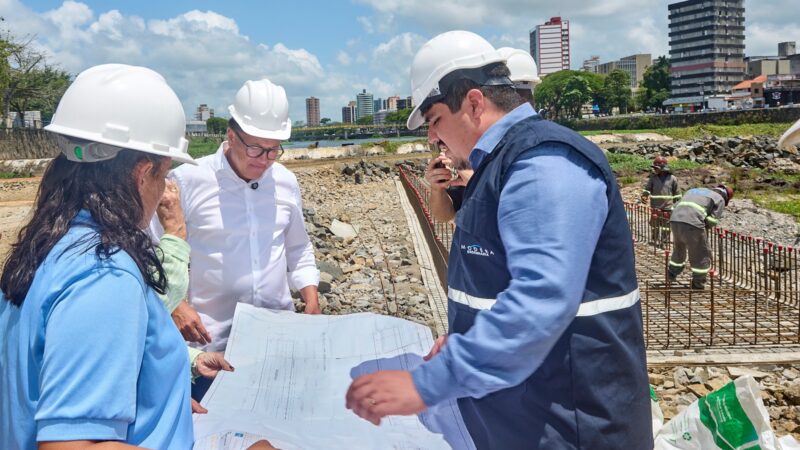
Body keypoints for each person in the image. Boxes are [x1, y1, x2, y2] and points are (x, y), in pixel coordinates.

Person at [346, 30, 651, 449]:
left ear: (473, 103)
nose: (432, 138)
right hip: (525, 415)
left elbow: (540, 299)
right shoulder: (500, 164)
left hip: (571, 423)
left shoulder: (543, 163)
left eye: (434, 120)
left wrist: (428, 383)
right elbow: (499, 280)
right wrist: (468, 337)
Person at [152, 78, 320, 356]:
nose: (264, 160)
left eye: (273, 150)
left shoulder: (285, 181)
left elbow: (298, 247)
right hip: (212, 341)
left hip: (280, 332)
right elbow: (151, 249)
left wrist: (311, 298)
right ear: (231, 137)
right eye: (255, 148)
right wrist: (175, 305)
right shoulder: (188, 181)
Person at [426, 46, 539, 223]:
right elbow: (444, 215)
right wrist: (437, 188)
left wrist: (478, 185)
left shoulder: (538, 154)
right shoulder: (475, 155)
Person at [668, 185, 733, 290]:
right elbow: (712, 220)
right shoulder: (719, 198)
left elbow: (674, 206)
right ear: (726, 196)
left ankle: (671, 273)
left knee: (679, 249)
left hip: (675, 220)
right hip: (693, 223)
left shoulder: (693, 190)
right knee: (700, 253)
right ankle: (698, 283)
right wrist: (703, 228)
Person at [641, 156, 681, 246]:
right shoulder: (653, 178)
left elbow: (677, 194)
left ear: (663, 168)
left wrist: (677, 205)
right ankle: (654, 239)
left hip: (667, 207)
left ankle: (665, 241)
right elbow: (648, 189)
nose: (655, 170)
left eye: (656, 168)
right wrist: (644, 195)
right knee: (654, 225)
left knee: (666, 227)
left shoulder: (672, 178)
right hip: (655, 206)